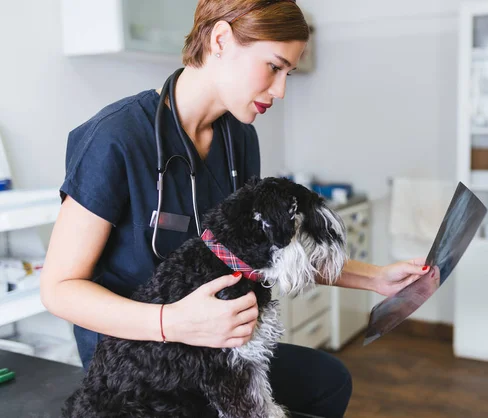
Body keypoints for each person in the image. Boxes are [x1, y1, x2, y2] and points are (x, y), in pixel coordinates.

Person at [40, 1, 436, 417]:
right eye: (273, 67)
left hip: (218, 346)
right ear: (221, 40)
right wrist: (170, 322)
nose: (280, 90)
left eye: (288, 74)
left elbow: (268, 249)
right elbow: (59, 289)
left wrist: (377, 279)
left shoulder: (238, 140)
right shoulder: (116, 138)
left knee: (329, 381)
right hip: (139, 368)